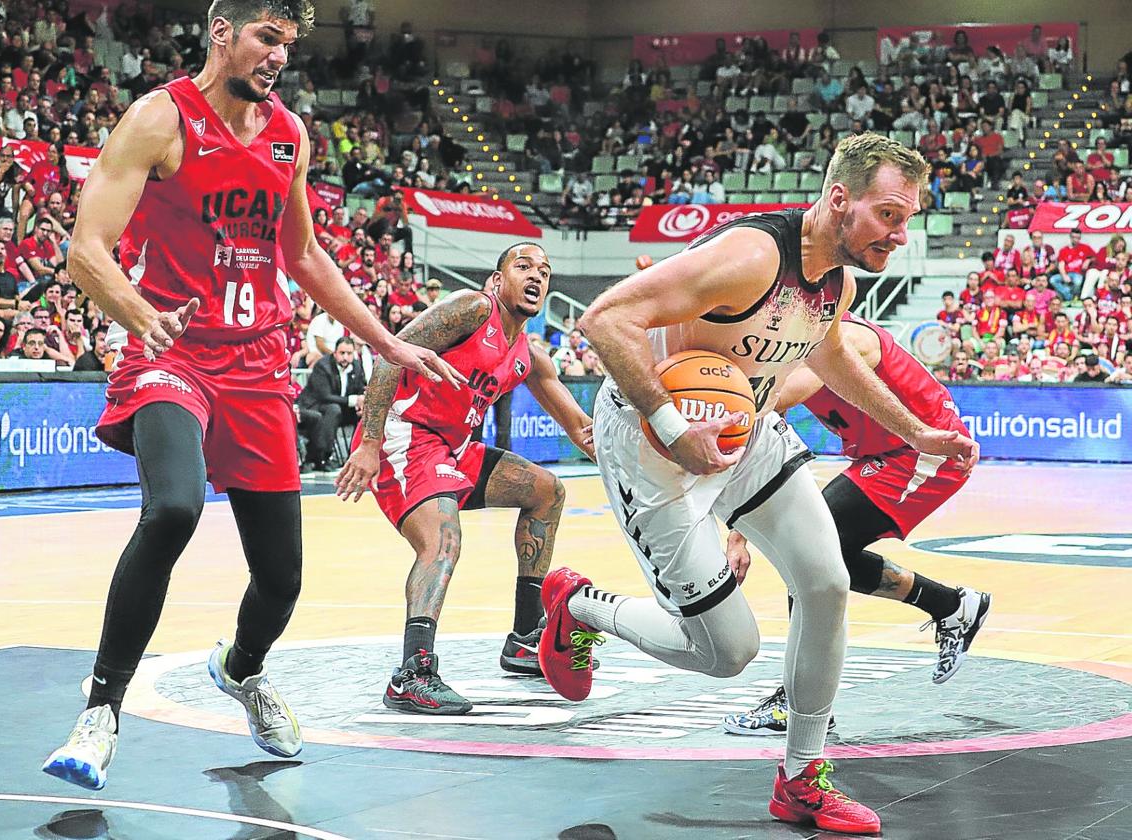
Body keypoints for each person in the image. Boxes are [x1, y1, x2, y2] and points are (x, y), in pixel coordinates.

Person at [41, 0, 462, 792]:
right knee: (173, 509)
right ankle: (100, 711)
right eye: (267, 37)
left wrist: (390, 342)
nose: (278, 56)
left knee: (282, 579)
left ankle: (242, 670)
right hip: (172, 355)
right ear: (221, 29)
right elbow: (84, 248)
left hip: (260, 366)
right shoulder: (158, 119)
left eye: (288, 44)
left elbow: (303, 257)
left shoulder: (289, 136)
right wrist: (142, 316)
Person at [537, 134, 976, 834]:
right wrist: (673, 423)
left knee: (827, 581)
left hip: (744, 432)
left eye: (908, 218)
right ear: (840, 201)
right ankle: (579, 605)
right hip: (655, 442)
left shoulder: (838, 280)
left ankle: (802, 778)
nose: (902, 233)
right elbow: (605, 319)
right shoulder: (750, 257)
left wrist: (915, 432)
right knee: (726, 653)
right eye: (890, 215)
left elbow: (831, 356)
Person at [336, 242, 595, 714]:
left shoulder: (529, 357)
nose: (536, 276)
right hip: (405, 436)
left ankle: (523, 639)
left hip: (453, 449)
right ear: (497, 281)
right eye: (523, 267)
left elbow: (582, 429)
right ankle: (412, 674)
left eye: (545, 270)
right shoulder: (473, 309)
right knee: (443, 539)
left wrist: (653, 444)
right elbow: (390, 355)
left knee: (548, 492)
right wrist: (370, 443)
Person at [723, 312, 991, 736]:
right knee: (829, 557)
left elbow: (775, 398)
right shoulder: (786, 348)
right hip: (880, 455)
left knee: (811, 554)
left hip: (926, 453)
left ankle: (802, 702)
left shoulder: (842, 339)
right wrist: (738, 534)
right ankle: (951, 606)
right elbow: (767, 435)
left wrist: (719, 390)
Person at [297, 335, 367, 471]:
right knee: (333, 410)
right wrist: (353, 400)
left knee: (365, 411)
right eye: (342, 353)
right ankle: (323, 457)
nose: (345, 357)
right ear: (335, 353)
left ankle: (358, 456)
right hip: (314, 406)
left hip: (340, 408)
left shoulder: (357, 367)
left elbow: (360, 389)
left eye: (349, 353)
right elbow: (324, 396)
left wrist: (361, 403)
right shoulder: (323, 366)